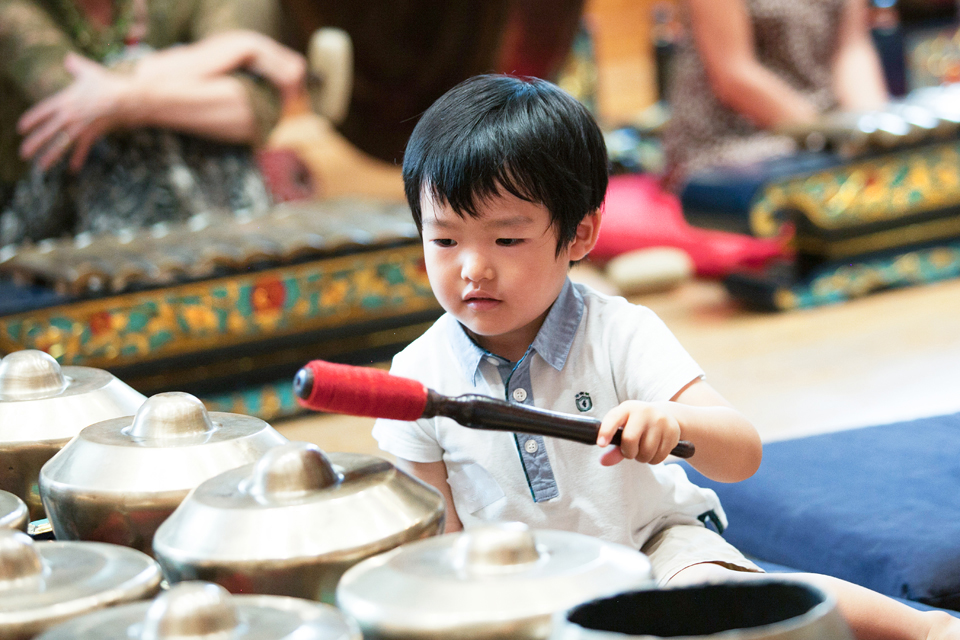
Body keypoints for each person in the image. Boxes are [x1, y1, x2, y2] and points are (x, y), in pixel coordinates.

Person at [371, 74, 960, 639]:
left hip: (657, 547)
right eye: (444, 239)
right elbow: (435, 546)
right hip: (523, 590)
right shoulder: (417, 378)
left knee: (714, 597)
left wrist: (675, 425)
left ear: (579, 236)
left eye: (506, 239)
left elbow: (742, 453)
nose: (473, 268)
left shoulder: (619, 333)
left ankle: (925, 627)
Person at [0, 0, 310, 246]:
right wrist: (238, 49)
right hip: (50, 233)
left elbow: (254, 110)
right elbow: (73, 100)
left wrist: (128, 100)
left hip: (198, 218)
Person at [661, 0, 890, 188]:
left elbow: (851, 48)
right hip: (733, 137)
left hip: (825, 129)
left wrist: (873, 130)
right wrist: (827, 137)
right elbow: (734, 74)